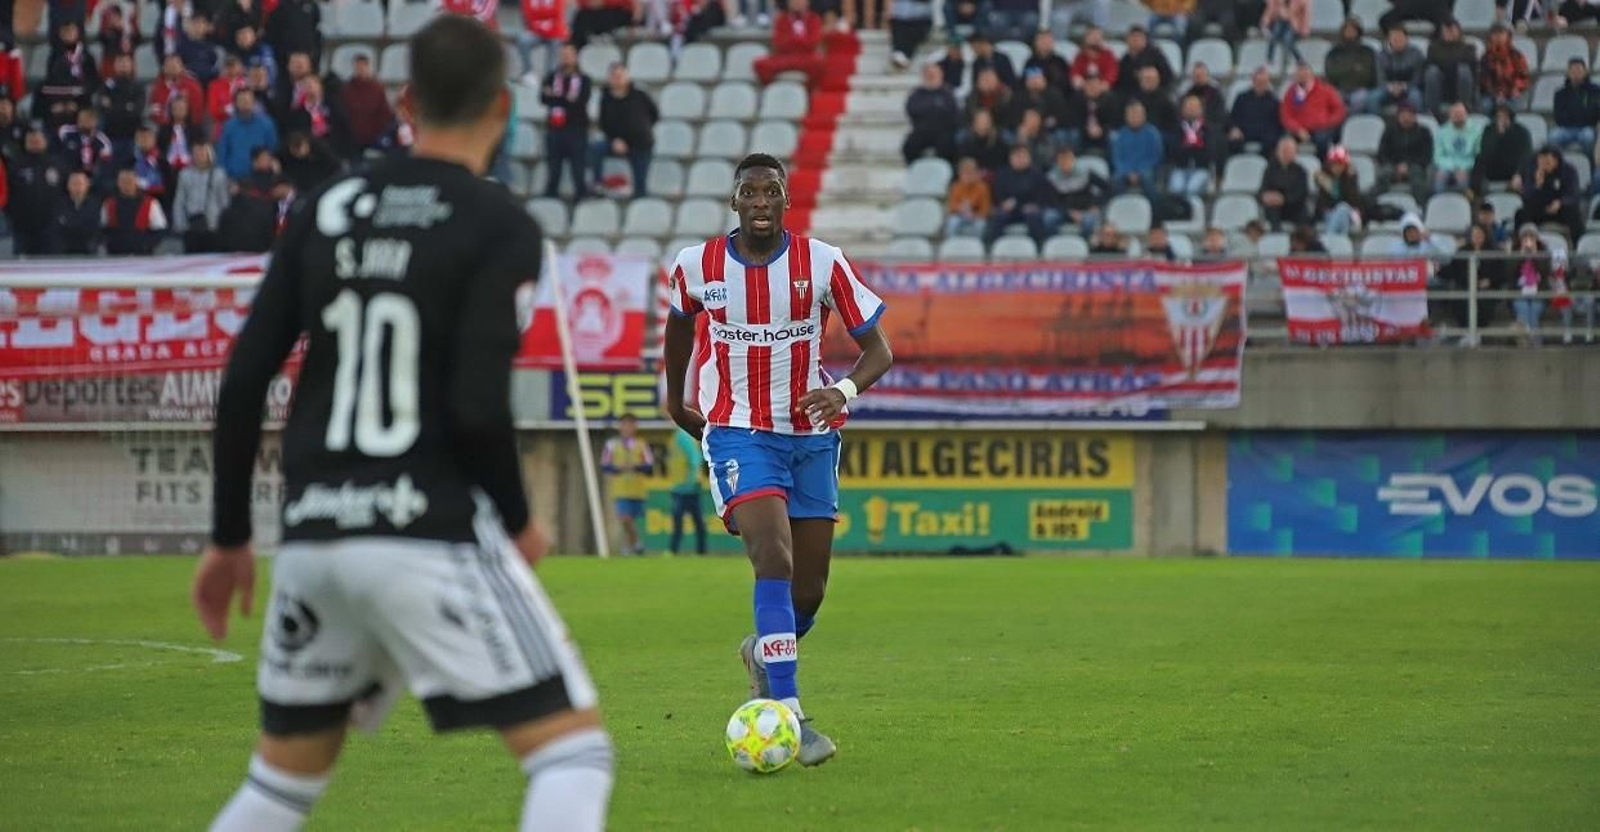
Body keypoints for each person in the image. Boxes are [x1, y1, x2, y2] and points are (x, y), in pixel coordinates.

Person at [194, 17, 612, 832]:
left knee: (279, 787)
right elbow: (475, 403)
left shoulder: (328, 206)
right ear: (503, 105)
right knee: (572, 756)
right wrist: (520, 521)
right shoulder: (499, 224)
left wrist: (229, 537)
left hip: (314, 538)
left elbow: (245, 378)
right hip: (425, 531)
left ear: (405, 102)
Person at [661, 151, 893, 769]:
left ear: (787, 201)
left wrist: (841, 391)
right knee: (773, 555)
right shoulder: (696, 266)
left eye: (772, 192)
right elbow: (679, 328)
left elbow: (879, 350)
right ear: (734, 201)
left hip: (810, 434)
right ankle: (790, 714)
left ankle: (765, 652)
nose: (761, 201)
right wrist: (675, 399)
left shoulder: (823, 262)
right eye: (750, 192)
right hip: (737, 430)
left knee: (809, 591)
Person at [592, 63, 658, 197]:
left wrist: (640, 130)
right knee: (595, 149)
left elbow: (655, 114)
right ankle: (598, 184)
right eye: (614, 76)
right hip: (615, 143)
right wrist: (614, 140)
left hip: (641, 144)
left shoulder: (640, 95)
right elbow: (603, 123)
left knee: (640, 187)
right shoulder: (605, 98)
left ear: (627, 76)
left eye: (620, 75)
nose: (617, 78)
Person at [1438, 223, 1507, 344]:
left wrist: (1490, 281)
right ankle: (1466, 332)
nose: (1476, 237)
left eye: (1479, 234)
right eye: (1474, 234)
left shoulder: (1495, 251)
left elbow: (1502, 273)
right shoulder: (1463, 251)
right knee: (1459, 299)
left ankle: (1478, 333)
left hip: (1487, 289)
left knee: (1484, 302)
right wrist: (1437, 270)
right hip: (1466, 287)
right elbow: (1453, 269)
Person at [753, 0, 849, 88]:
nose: (797, 2)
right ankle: (775, 89)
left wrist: (793, 42)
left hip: (805, 57)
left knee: (820, 64)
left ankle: (808, 91)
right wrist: (799, 42)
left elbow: (813, 42)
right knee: (760, 64)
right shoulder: (781, 19)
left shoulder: (813, 18)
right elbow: (779, 42)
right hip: (785, 57)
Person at [540, 44, 592, 200]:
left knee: (578, 167)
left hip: (577, 129)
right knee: (553, 166)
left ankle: (581, 197)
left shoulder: (584, 79)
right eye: (563, 55)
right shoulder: (551, 76)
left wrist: (555, 96)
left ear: (576, 57)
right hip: (555, 128)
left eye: (569, 55)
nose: (566, 58)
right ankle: (551, 196)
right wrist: (566, 99)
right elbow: (543, 98)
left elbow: (581, 101)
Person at [600, 414, 655, 555]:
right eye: (625, 424)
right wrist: (619, 469)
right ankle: (636, 544)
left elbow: (649, 466)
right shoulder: (611, 445)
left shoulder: (641, 445)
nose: (628, 428)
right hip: (620, 489)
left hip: (637, 489)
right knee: (625, 519)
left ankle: (628, 547)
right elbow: (605, 466)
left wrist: (635, 467)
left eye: (631, 425)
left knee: (631, 521)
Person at [7, 127, 67, 255]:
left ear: (45, 141)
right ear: (25, 143)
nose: (35, 143)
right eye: (31, 140)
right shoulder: (16, 164)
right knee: (22, 268)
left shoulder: (57, 164)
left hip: (51, 225)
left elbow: (66, 190)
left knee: (50, 266)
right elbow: (9, 191)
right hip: (22, 226)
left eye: (38, 140)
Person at [984, 144, 1050, 246]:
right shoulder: (1003, 174)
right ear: (1011, 159)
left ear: (1029, 158)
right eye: (1017, 157)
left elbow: (1042, 194)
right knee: (998, 216)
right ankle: (992, 247)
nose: (1020, 160)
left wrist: (1035, 205)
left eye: (1023, 156)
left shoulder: (1037, 174)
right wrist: (1003, 203)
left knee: (1034, 216)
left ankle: (1039, 247)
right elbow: (997, 193)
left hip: (1030, 208)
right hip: (1009, 209)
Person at [1515, 147, 1584, 244]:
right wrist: (1537, 185)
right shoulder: (1533, 171)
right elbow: (1526, 198)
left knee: (1574, 214)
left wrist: (1560, 202)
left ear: (1555, 161)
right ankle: (1520, 246)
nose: (1543, 165)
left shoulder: (1568, 171)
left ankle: (1577, 245)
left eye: (1547, 162)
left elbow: (1573, 195)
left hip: (1561, 210)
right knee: (1520, 214)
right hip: (1540, 209)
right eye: (1541, 161)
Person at [172, 140, 229, 252]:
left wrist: (224, 225)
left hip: (213, 227)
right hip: (191, 225)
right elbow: (180, 200)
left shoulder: (219, 174)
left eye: (203, 153)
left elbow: (224, 201)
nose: (200, 156)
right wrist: (180, 224)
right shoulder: (184, 174)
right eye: (197, 153)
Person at [1279, 61, 1346, 158]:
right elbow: (1286, 115)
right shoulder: (1291, 93)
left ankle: (1322, 166)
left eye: (1305, 73)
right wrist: (1298, 129)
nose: (1302, 77)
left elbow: (1339, 110)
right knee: (1286, 143)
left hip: (1321, 129)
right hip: (1300, 130)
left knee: (1322, 141)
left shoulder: (1325, 90)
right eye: (1299, 74)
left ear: (1311, 75)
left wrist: (1326, 123)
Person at [101, 167, 167, 254]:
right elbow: (102, 228)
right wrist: (110, 243)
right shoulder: (108, 204)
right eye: (123, 181)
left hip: (143, 254)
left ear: (136, 182)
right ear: (118, 183)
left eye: (130, 181)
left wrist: (146, 244)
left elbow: (160, 229)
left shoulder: (151, 203)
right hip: (115, 254)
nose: (127, 184)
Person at [217, 88, 278, 180]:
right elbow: (222, 154)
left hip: (261, 178)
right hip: (235, 179)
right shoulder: (228, 126)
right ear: (236, 104)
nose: (245, 103)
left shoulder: (267, 123)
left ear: (254, 102)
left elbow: (272, 150)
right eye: (242, 100)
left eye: (248, 100)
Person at [1167, 94, 1222, 197]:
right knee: (1176, 189)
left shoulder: (1208, 129)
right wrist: (1189, 147)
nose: (1191, 109)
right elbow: (1172, 152)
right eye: (1188, 107)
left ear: (1201, 110)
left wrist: (1194, 147)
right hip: (1180, 168)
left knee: (1192, 188)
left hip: (1202, 169)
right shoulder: (1177, 129)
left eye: (1194, 107)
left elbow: (1212, 152)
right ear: (1182, 110)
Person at [1045, 146, 1108, 236]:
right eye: (1062, 159)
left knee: (1089, 222)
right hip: (1063, 211)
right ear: (1057, 161)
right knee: (1049, 218)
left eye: (1068, 158)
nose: (1065, 162)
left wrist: (1095, 204)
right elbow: (1051, 201)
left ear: (1073, 159)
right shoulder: (1051, 178)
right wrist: (1070, 213)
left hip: (1085, 210)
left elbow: (1107, 187)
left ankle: (1084, 246)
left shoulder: (1086, 173)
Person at [341, 54, 395, 156]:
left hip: (374, 140)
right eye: (357, 67)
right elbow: (343, 113)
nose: (360, 70)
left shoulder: (378, 88)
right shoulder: (346, 89)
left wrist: (379, 134)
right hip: (352, 140)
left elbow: (384, 113)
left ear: (368, 67)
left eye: (363, 67)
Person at [1378, 102, 1432, 202]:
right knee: (1383, 174)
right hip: (1392, 165)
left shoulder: (1424, 132)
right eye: (1403, 116)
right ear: (1398, 117)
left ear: (1415, 117)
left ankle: (1421, 207)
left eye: (1409, 116)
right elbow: (1382, 153)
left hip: (1415, 165)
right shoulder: (1389, 130)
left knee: (1418, 178)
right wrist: (1396, 166)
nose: (1406, 119)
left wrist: (1408, 166)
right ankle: (1375, 206)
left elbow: (1427, 155)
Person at [667, 428, 709, 555]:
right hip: (682, 486)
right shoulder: (679, 436)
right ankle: (700, 551)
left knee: (680, 522)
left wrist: (695, 477)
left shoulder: (682, 436)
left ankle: (673, 550)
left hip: (686, 487)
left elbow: (695, 457)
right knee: (697, 522)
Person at [1509, 223, 1552, 346]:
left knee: (1534, 308)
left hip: (1539, 293)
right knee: (1523, 307)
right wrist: (1520, 256)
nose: (1528, 241)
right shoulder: (1514, 253)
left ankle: (1528, 339)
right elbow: (1509, 274)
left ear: (1536, 240)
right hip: (1519, 292)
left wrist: (1535, 256)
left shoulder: (1544, 254)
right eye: (1525, 238)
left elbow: (1546, 274)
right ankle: (1534, 340)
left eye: (1531, 238)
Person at [1325, 18, 1377, 114]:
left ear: (1358, 32)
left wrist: (1343, 68)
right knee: (1332, 100)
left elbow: (1368, 74)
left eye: (1353, 30)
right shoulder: (1334, 52)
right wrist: (1353, 68)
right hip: (1339, 89)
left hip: (1361, 89)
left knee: (1360, 99)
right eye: (1347, 30)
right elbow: (1331, 73)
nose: (1350, 33)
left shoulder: (1367, 51)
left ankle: (1348, 120)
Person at [1424, 18, 1476, 115]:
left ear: (1458, 31)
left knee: (1463, 70)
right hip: (1441, 87)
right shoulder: (1433, 48)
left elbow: (1473, 71)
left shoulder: (1468, 48)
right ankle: (1432, 110)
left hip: (1461, 87)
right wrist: (1453, 62)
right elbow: (1429, 65)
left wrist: (1446, 62)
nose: (1449, 33)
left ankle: (1465, 108)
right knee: (1432, 72)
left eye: (1451, 30)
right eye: (1446, 30)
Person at [1110, 99, 1162, 197]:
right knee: (1116, 179)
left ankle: (1155, 209)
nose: (1134, 117)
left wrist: (1139, 171)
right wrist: (1128, 172)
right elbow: (1117, 158)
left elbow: (1155, 157)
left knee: (1148, 178)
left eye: (1137, 114)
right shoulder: (1120, 134)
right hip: (1125, 170)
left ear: (1144, 115)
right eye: (1131, 114)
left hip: (1146, 169)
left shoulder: (1153, 134)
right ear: (1126, 116)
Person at [1551, 58, 1600, 156]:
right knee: (1553, 136)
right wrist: (1582, 115)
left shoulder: (1595, 91)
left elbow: (1596, 113)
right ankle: (1559, 165)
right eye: (1573, 71)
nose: (1576, 74)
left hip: (1587, 128)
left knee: (1588, 137)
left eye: (1579, 71)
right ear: (1568, 73)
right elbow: (1558, 117)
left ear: (1585, 72)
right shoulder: (1560, 93)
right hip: (1565, 128)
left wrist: (1577, 116)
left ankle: (1590, 163)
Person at [1260, 135, 1309, 230]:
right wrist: (1265, 196)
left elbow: (1302, 193)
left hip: (1293, 206)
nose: (1286, 153)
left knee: (1303, 213)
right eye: (1284, 150)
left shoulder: (1300, 171)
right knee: (1272, 208)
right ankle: (1276, 236)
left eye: (1290, 150)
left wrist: (1283, 199)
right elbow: (1262, 189)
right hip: (1274, 207)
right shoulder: (1270, 169)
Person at [1230, 65, 1282, 153]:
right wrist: (1234, 128)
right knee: (1233, 140)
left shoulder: (1274, 101)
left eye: (1263, 82)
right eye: (1258, 82)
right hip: (1244, 132)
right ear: (1253, 81)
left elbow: (1278, 123)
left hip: (1266, 134)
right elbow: (1233, 117)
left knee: (1272, 142)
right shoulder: (1241, 98)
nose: (1261, 85)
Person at [1373, 25, 1425, 114]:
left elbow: (1418, 78)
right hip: (1388, 88)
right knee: (1372, 98)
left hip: (1409, 88)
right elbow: (1380, 78)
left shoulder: (1416, 53)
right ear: (1389, 40)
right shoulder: (1382, 55)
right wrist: (1391, 88)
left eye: (1400, 38)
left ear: (1407, 39)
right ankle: (1376, 124)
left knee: (1416, 96)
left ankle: (1418, 122)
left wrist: (1403, 87)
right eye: (1394, 39)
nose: (1397, 41)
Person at [1432, 102, 1481, 194]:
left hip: (1468, 165)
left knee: (1463, 178)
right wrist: (1454, 167)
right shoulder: (1442, 131)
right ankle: (1438, 203)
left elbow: (1478, 155)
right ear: (1450, 116)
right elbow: (1437, 156)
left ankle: (1466, 204)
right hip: (1447, 165)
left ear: (1466, 115)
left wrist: (1463, 167)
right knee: (1440, 176)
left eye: (1461, 114)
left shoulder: (1476, 131)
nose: (1458, 117)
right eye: (1455, 114)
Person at [1479, 24, 1530, 112]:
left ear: (1507, 35)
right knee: (1485, 106)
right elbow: (1483, 80)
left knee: (1517, 105)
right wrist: (1496, 94)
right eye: (1495, 34)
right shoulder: (1485, 57)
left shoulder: (1516, 56)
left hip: (1513, 94)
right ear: (1490, 37)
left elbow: (1523, 77)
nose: (1498, 37)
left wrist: (1513, 90)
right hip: (1491, 95)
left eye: (1501, 33)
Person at [516, 0, 569, 82]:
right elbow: (527, 14)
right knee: (523, 40)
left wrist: (539, 16)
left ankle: (550, 77)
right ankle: (528, 71)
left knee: (556, 43)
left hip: (555, 30)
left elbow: (557, 12)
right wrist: (544, 19)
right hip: (536, 30)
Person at [1315, 145, 1363, 234]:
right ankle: (1339, 242)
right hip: (1329, 213)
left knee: (1343, 209)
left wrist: (1348, 181)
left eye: (1340, 163)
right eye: (1334, 163)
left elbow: (1354, 201)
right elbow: (1324, 203)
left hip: (1349, 213)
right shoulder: (1324, 177)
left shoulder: (1351, 178)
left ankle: (1329, 240)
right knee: (1340, 214)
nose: (1337, 167)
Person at [1113, 25, 1172, 96]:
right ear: (1127, 40)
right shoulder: (1125, 59)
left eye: (1139, 37)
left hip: (1155, 94)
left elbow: (1167, 77)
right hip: (1130, 95)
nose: (1136, 40)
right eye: (1133, 37)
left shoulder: (1155, 55)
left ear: (1145, 39)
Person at [52, 170, 101, 254]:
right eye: (74, 184)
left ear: (87, 185)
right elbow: (56, 230)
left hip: (89, 252)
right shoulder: (59, 205)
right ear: (68, 186)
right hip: (64, 252)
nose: (77, 187)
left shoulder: (95, 205)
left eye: (80, 184)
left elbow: (95, 229)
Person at [955, 107, 1007, 173]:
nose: (983, 124)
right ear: (974, 123)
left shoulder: (999, 141)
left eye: (986, 121)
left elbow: (1001, 164)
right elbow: (961, 163)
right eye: (980, 120)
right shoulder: (965, 141)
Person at [1260, 0, 1308, 70]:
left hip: (1292, 23)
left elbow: (1305, 14)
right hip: (1280, 21)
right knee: (1273, 37)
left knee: (1287, 39)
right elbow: (1269, 11)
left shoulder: (1300, 1)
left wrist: (1304, 29)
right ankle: (1269, 59)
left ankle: (1297, 59)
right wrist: (1264, 24)